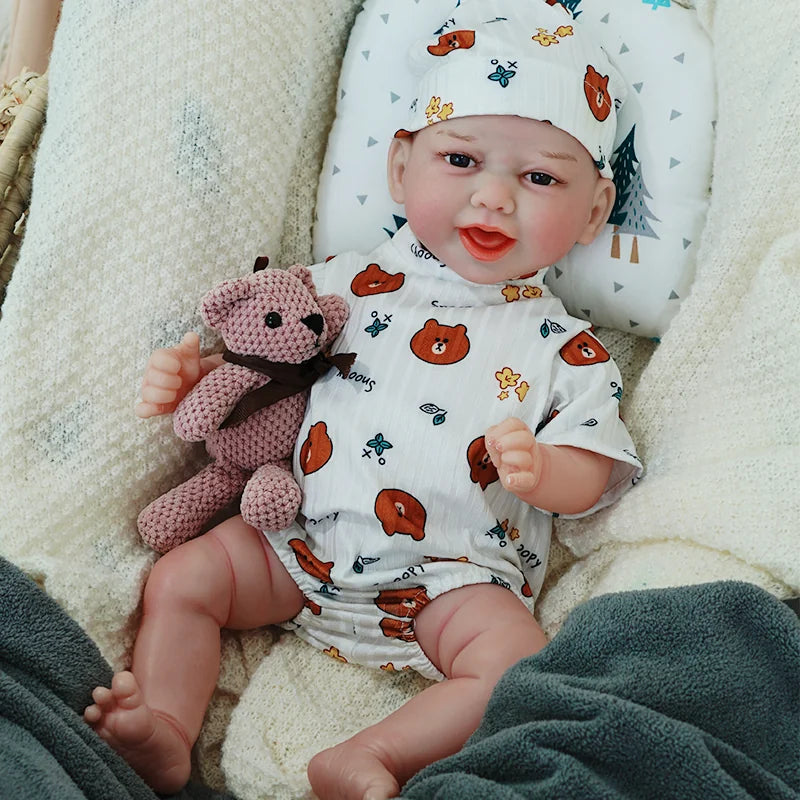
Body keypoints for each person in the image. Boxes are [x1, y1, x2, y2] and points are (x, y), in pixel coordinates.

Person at [84, 3, 643, 798]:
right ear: (399, 167)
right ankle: (168, 732)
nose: (492, 198)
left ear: (593, 210)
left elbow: (594, 471)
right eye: (460, 161)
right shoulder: (344, 281)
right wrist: (192, 373)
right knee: (182, 579)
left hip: (448, 583)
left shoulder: (566, 346)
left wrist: (545, 469)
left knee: (514, 664)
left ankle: (367, 756)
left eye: (540, 177)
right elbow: (260, 354)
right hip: (296, 542)